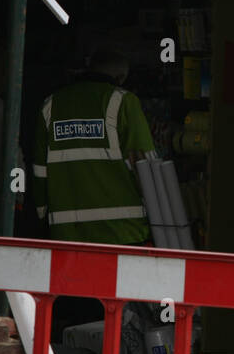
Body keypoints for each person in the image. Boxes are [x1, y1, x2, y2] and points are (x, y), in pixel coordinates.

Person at [32, 46, 155, 246]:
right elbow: (147, 166)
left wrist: (42, 215)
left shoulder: (50, 105)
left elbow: (39, 171)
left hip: (67, 234)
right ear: (121, 77)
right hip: (123, 232)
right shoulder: (124, 102)